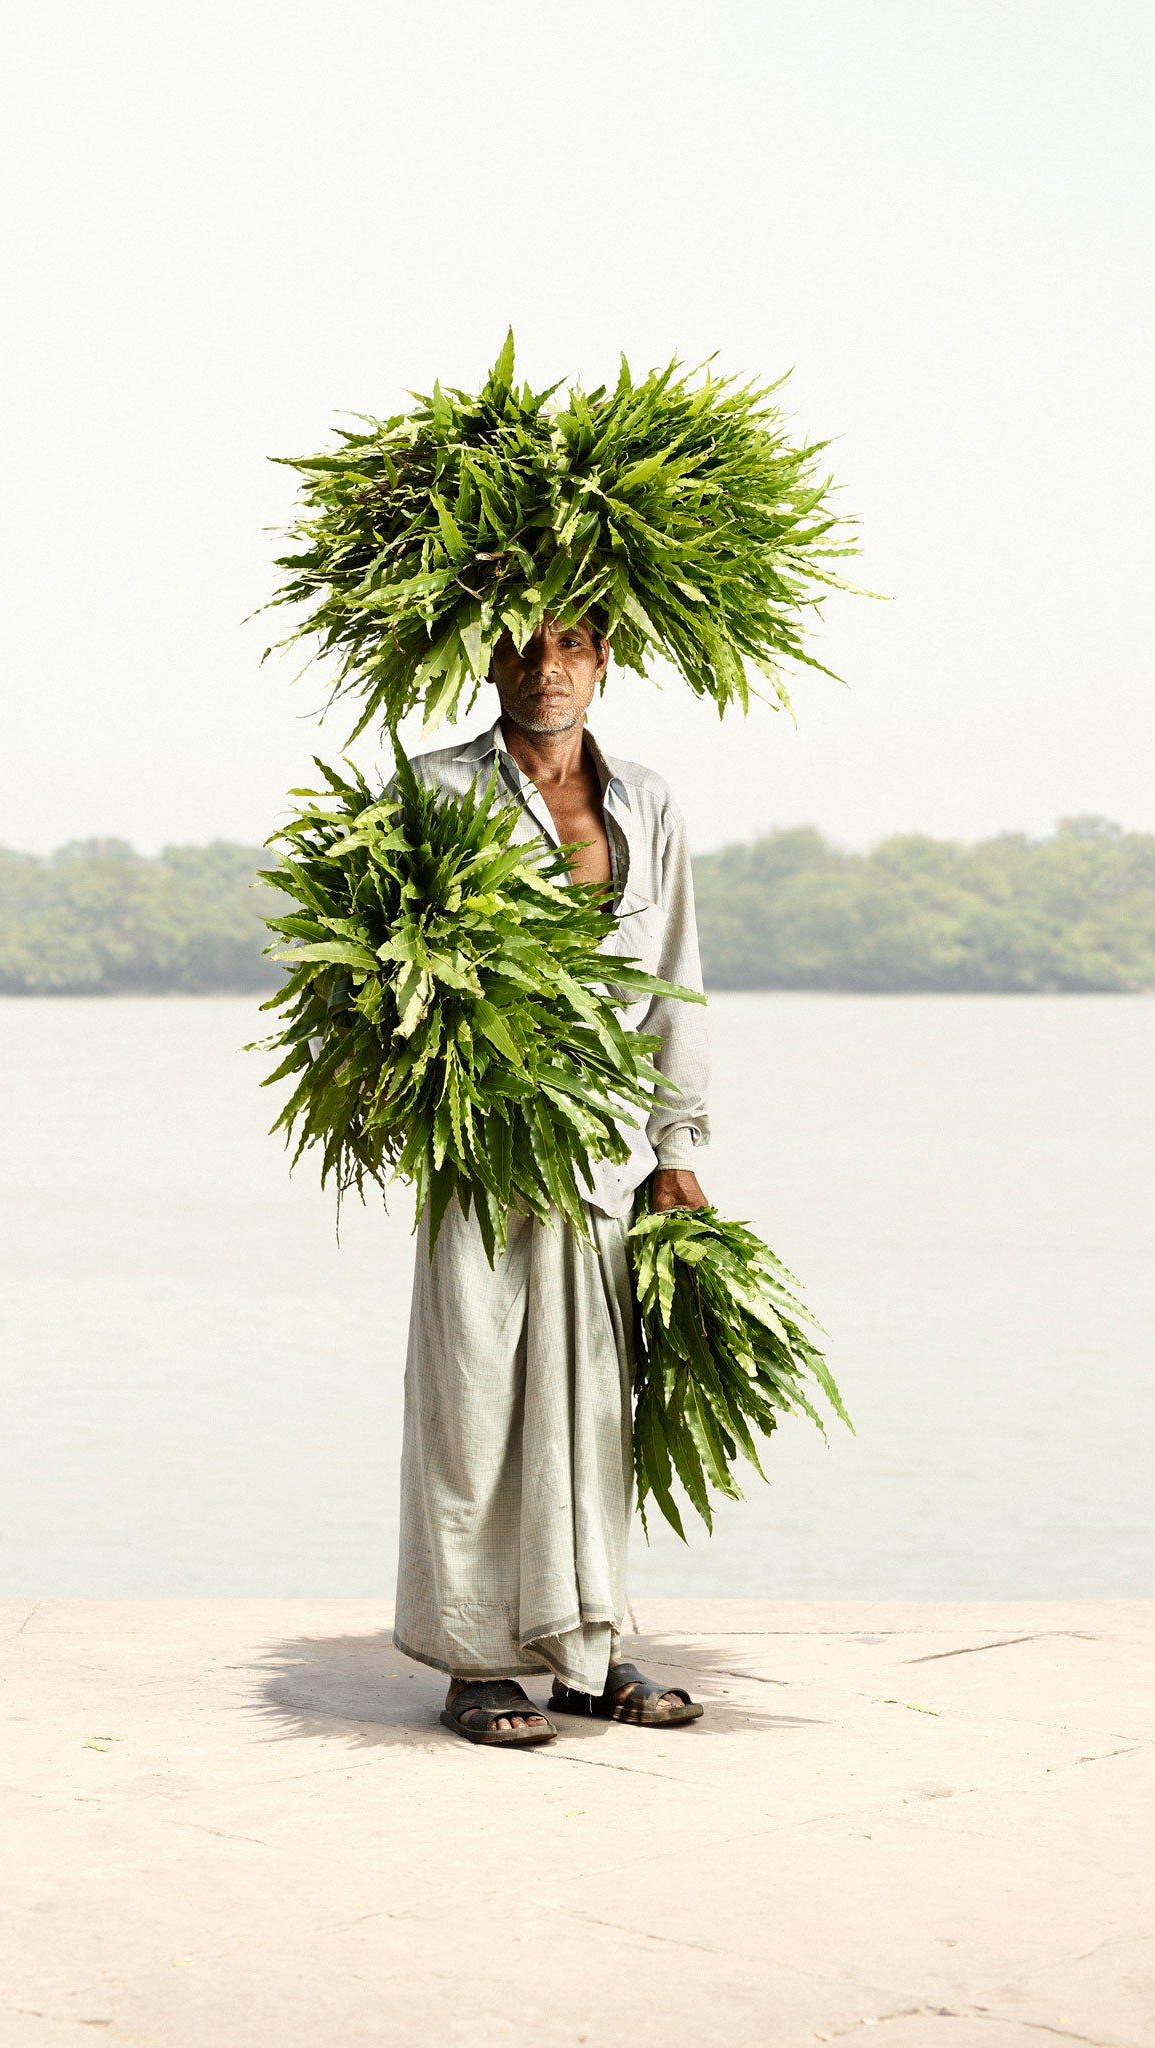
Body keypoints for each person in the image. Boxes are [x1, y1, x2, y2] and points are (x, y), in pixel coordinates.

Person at [393, 612, 712, 1744]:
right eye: (523, 649)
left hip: (607, 1149)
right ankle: (475, 1660)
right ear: (486, 661)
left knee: (593, 1403)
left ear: (607, 659)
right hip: (482, 1144)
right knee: (473, 1397)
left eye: (572, 645)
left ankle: (591, 1648)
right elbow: (387, 974)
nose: (548, 670)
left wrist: (677, 1148)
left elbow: (675, 972)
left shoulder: (648, 800)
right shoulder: (432, 787)